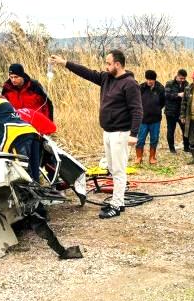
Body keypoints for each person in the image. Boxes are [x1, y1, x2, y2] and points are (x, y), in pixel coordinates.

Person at [48, 50, 142, 219]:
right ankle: (118, 203)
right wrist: (65, 63)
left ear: (118, 64)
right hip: (108, 131)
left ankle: (116, 204)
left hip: (121, 133)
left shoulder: (130, 84)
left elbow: (137, 110)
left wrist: (134, 134)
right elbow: (87, 73)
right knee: (112, 169)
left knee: (119, 171)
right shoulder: (106, 78)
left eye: (108, 63)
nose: (105, 66)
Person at [136, 70, 165, 165]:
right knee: (140, 139)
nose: (149, 81)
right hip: (143, 120)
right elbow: (137, 101)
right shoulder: (141, 87)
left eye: (151, 80)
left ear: (154, 80)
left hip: (155, 120)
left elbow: (163, 103)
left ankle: (152, 157)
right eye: (147, 79)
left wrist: (156, 109)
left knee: (154, 138)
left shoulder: (160, 88)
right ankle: (139, 157)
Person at [164, 69, 190, 154]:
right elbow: (166, 95)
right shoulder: (169, 83)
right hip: (171, 112)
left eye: (184, 78)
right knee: (171, 130)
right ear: (177, 76)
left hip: (182, 112)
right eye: (181, 78)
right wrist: (178, 95)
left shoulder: (186, 84)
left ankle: (186, 147)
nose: (182, 80)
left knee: (185, 130)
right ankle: (172, 149)